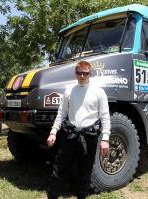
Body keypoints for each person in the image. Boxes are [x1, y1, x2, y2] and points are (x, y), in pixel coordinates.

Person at [47, 60, 111, 199]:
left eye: (85, 73)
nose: (82, 76)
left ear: (90, 74)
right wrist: (53, 132)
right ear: (75, 73)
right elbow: (61, 114)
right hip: (70, 135)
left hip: (89, 137)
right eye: (79, 73)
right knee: (59, 169)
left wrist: (105, 138)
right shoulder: (69, 90)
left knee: (85, 172)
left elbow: (105, 117)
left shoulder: (99, 92)